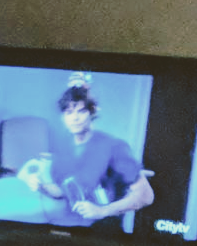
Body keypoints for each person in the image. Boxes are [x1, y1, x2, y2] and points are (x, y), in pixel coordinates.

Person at [21, 81, 154, 228]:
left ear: (92, 114)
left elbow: (146, 195)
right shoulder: (62, 147)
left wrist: (102, 211)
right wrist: (40, 185)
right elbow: (61, 192)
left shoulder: (113, 146)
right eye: (69, 112)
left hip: (101, 232)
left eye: (81, 111)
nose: (75, 118)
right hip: (66, 228)